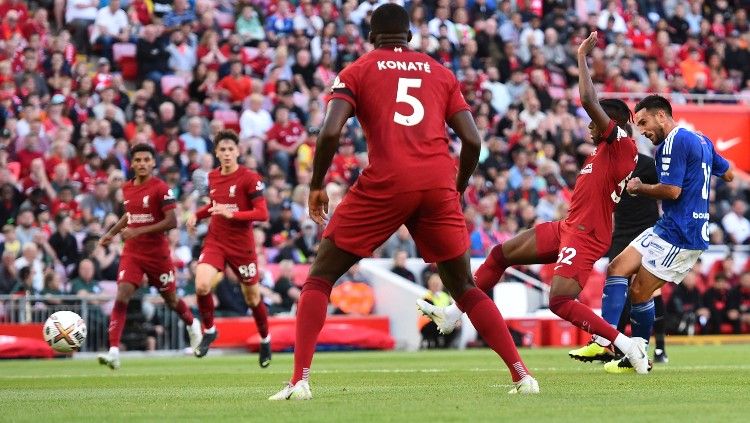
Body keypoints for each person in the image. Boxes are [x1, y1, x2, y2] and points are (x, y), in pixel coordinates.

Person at [270, 4, 538, 401]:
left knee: (320, 277)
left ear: (371, 35)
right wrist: (457, 187)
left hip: (388, 181)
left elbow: (328, 134)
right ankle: (522, 375)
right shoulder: (441, 73)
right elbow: (474, 141)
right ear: (409, 35)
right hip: (436, 183)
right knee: (464, 286)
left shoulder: (358, 69)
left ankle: (300, 381)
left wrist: (316, 184)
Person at [418, 31, 650, 375]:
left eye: (593, 123)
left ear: (610, 122)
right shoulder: (604, 151)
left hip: (587, 234)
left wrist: (581, 57)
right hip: (569, 228)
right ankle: (453, 314)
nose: (588, 127)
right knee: (500, 255)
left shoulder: (621, 145)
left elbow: (589, 100)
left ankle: (628, 346)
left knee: (559, 300)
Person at [598, 93, 734, 373]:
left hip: (681, 233)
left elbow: (672, 191)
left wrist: (639, 187)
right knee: (617, 267)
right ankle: (605, 337)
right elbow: (729, 174)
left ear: (662, 115)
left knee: (639, 291)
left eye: (645, 122)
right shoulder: (700, 139)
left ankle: (637, 357)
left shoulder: (672, 142)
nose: (644, 131)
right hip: (669, 226)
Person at [96, 144, 203, 370]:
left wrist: (137, 231)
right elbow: (130, 215)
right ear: (132, 164)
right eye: (138, 160)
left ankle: (193, 325)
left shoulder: (160, 187)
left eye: (146, 159)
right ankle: (113, 350)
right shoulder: (126, 188)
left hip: (157, 254)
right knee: (122, 293)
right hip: (133, 252)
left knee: (171, 300)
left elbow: (172, 221)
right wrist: (111, 233)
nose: (142, 163)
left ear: (153, 163)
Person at [569, 151, 670, 363]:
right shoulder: (607, 164)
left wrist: (643, 188)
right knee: (616, 285)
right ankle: (613, 344)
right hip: (621, 233)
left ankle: (659, 347)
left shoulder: (647, 164)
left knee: (649, 289)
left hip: (648, 231)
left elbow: (668, 188)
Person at [186, 130, 272, 367]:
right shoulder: (212, 177)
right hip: (216, 240)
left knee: (252, 298)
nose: (226, 153)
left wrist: (231, 213)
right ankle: (210, 330)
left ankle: (265, 339)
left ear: (238, 151)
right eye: (222, 149)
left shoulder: (249, 177)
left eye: (230, 149)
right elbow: (215, 205)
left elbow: (262, 213)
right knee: (202, 285)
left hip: (242, 246)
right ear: (216, 152)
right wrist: (196, 215)